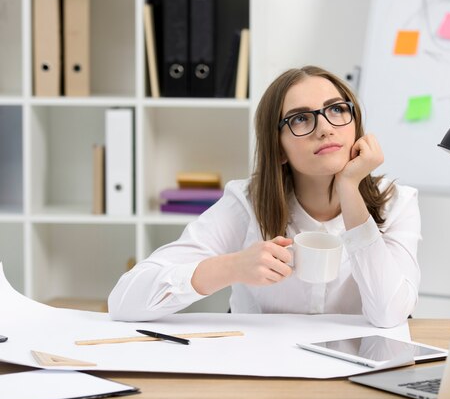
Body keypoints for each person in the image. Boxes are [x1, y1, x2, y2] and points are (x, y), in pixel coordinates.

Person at [108, 66, 421, 328]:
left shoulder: (398, 203)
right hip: (263, 375)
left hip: (355, 377)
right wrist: (233, 267)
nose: (325, 127)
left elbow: (388, 315)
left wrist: (350, 189)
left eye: (337, 109)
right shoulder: (247, 203)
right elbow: (124, 301)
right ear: (278, 148)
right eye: (300, 118)